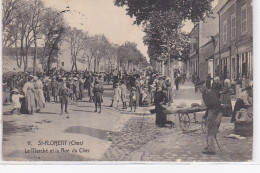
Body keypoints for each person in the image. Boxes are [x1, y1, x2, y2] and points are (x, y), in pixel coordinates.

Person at [198, 82, 223, 155]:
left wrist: (213, 116)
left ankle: (211, 149)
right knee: (208, 130)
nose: (199, 90)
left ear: (203, 86)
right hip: (211, 112)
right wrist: (206, 115)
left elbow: (216, 105)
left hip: (215, 112)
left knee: (211, 130)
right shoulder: (205, 94)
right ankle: (209, 146)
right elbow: (208, 107)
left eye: (200, 88)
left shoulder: (210, 94)